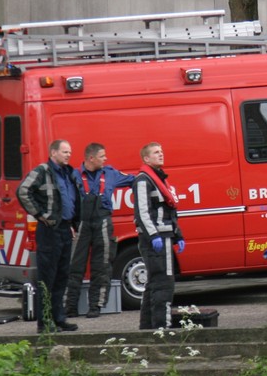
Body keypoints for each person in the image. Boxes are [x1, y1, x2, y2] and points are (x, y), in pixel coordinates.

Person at [65, 143, 134, 319]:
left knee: (101, 266)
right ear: (91, 158)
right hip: (81, 224)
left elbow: (135, 181)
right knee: (74, 266)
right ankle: (70, 307)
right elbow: (66, 200)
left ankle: (95, 306)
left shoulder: (110, 173)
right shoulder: (74, 175)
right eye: (102, 156)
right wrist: (68, 223)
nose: (105, 159)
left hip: (103, 223)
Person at [16, 140, 80, 333]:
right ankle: (44, 322)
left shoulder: (68, 173)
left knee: (61, 276)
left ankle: (58, 318)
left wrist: (74, 222)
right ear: (53, 153)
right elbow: (23, 191)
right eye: (65, 152)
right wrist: (40, 215)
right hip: (49, 230)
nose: (68, 155)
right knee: (47, 278)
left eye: (69, 152)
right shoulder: (42, 171)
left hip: (65, 228)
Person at [133, 142, 184, 330]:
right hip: (156, 240)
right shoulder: (143, 180)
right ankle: (162, 327)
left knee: (154, 282)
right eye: (156, 152)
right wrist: (153, 235)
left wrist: (178, 235)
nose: (161, 154)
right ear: (146, 159)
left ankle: (147, 328)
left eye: (161, 151)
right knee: (164, 283)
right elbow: (142, 213)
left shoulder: (159, 178)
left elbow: (169, 212)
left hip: (164, 237)